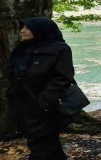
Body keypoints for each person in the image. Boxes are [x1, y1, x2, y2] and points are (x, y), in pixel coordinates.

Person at [6, 17, 75, 160]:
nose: (22, 31)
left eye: (27, 28)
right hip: (23, 102)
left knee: (42, 141)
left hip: (46, 104)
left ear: (40, 30)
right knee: (41, 142)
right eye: (22, 27)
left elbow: (63, 77)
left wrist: (45, 100)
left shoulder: (60, 49)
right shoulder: (23, 48)